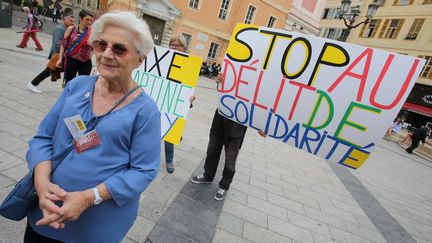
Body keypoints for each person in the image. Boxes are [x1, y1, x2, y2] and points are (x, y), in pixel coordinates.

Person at [24, 12, 160, 242]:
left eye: (119, 49)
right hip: (45, 214)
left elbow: (143, 171)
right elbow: (43, 139)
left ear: (139, 59)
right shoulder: (76, 87)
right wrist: (42, 182)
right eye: (101, 45)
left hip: (95, 228)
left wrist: (90, 197)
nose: (107, 54)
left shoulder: (145, 111)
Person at [190, 74, 265, 201]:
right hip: (220, 120)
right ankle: (208, 175)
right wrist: (219, 81)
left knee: (231, 159)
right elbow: (222, 90)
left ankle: (224, 186)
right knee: (212, 150)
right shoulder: (234, 69)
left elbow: (258, 105)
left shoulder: (258, 79)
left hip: (237, 127)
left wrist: (262, 126)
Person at [164, 35, 195, 173]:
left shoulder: (189, 66)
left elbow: (188, 88)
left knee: (170, 134)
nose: (174, 47)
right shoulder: (162, 60)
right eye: (172, 44)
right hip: (159, 100)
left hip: (173, 104)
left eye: (177, 45)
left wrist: (189, 100)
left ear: (184, 48)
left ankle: (169, 160)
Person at [27, 9, 74, 94]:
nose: (72, 22)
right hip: (56, 54)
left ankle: (33, 83)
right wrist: (68, 49)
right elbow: (57, 43)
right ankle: (33, 83)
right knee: (49, 70)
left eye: (73, 21)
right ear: (64, 19)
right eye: (70, 21)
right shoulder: (60, 29)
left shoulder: (68, 28)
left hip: (61, 54)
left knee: (51, 71)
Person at [56, 9, 94, 86]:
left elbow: (97, 46)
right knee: (69, 83)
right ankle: (68, 97)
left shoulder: (92, 32)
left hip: (85, 62)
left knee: (82, 84)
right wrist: (60, 59)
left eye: (91, 20)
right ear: (80, 18)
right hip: (72, 60)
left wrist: (92, 52)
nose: (89, 22)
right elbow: (63, 44)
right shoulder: (71, 29)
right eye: (87, 19)